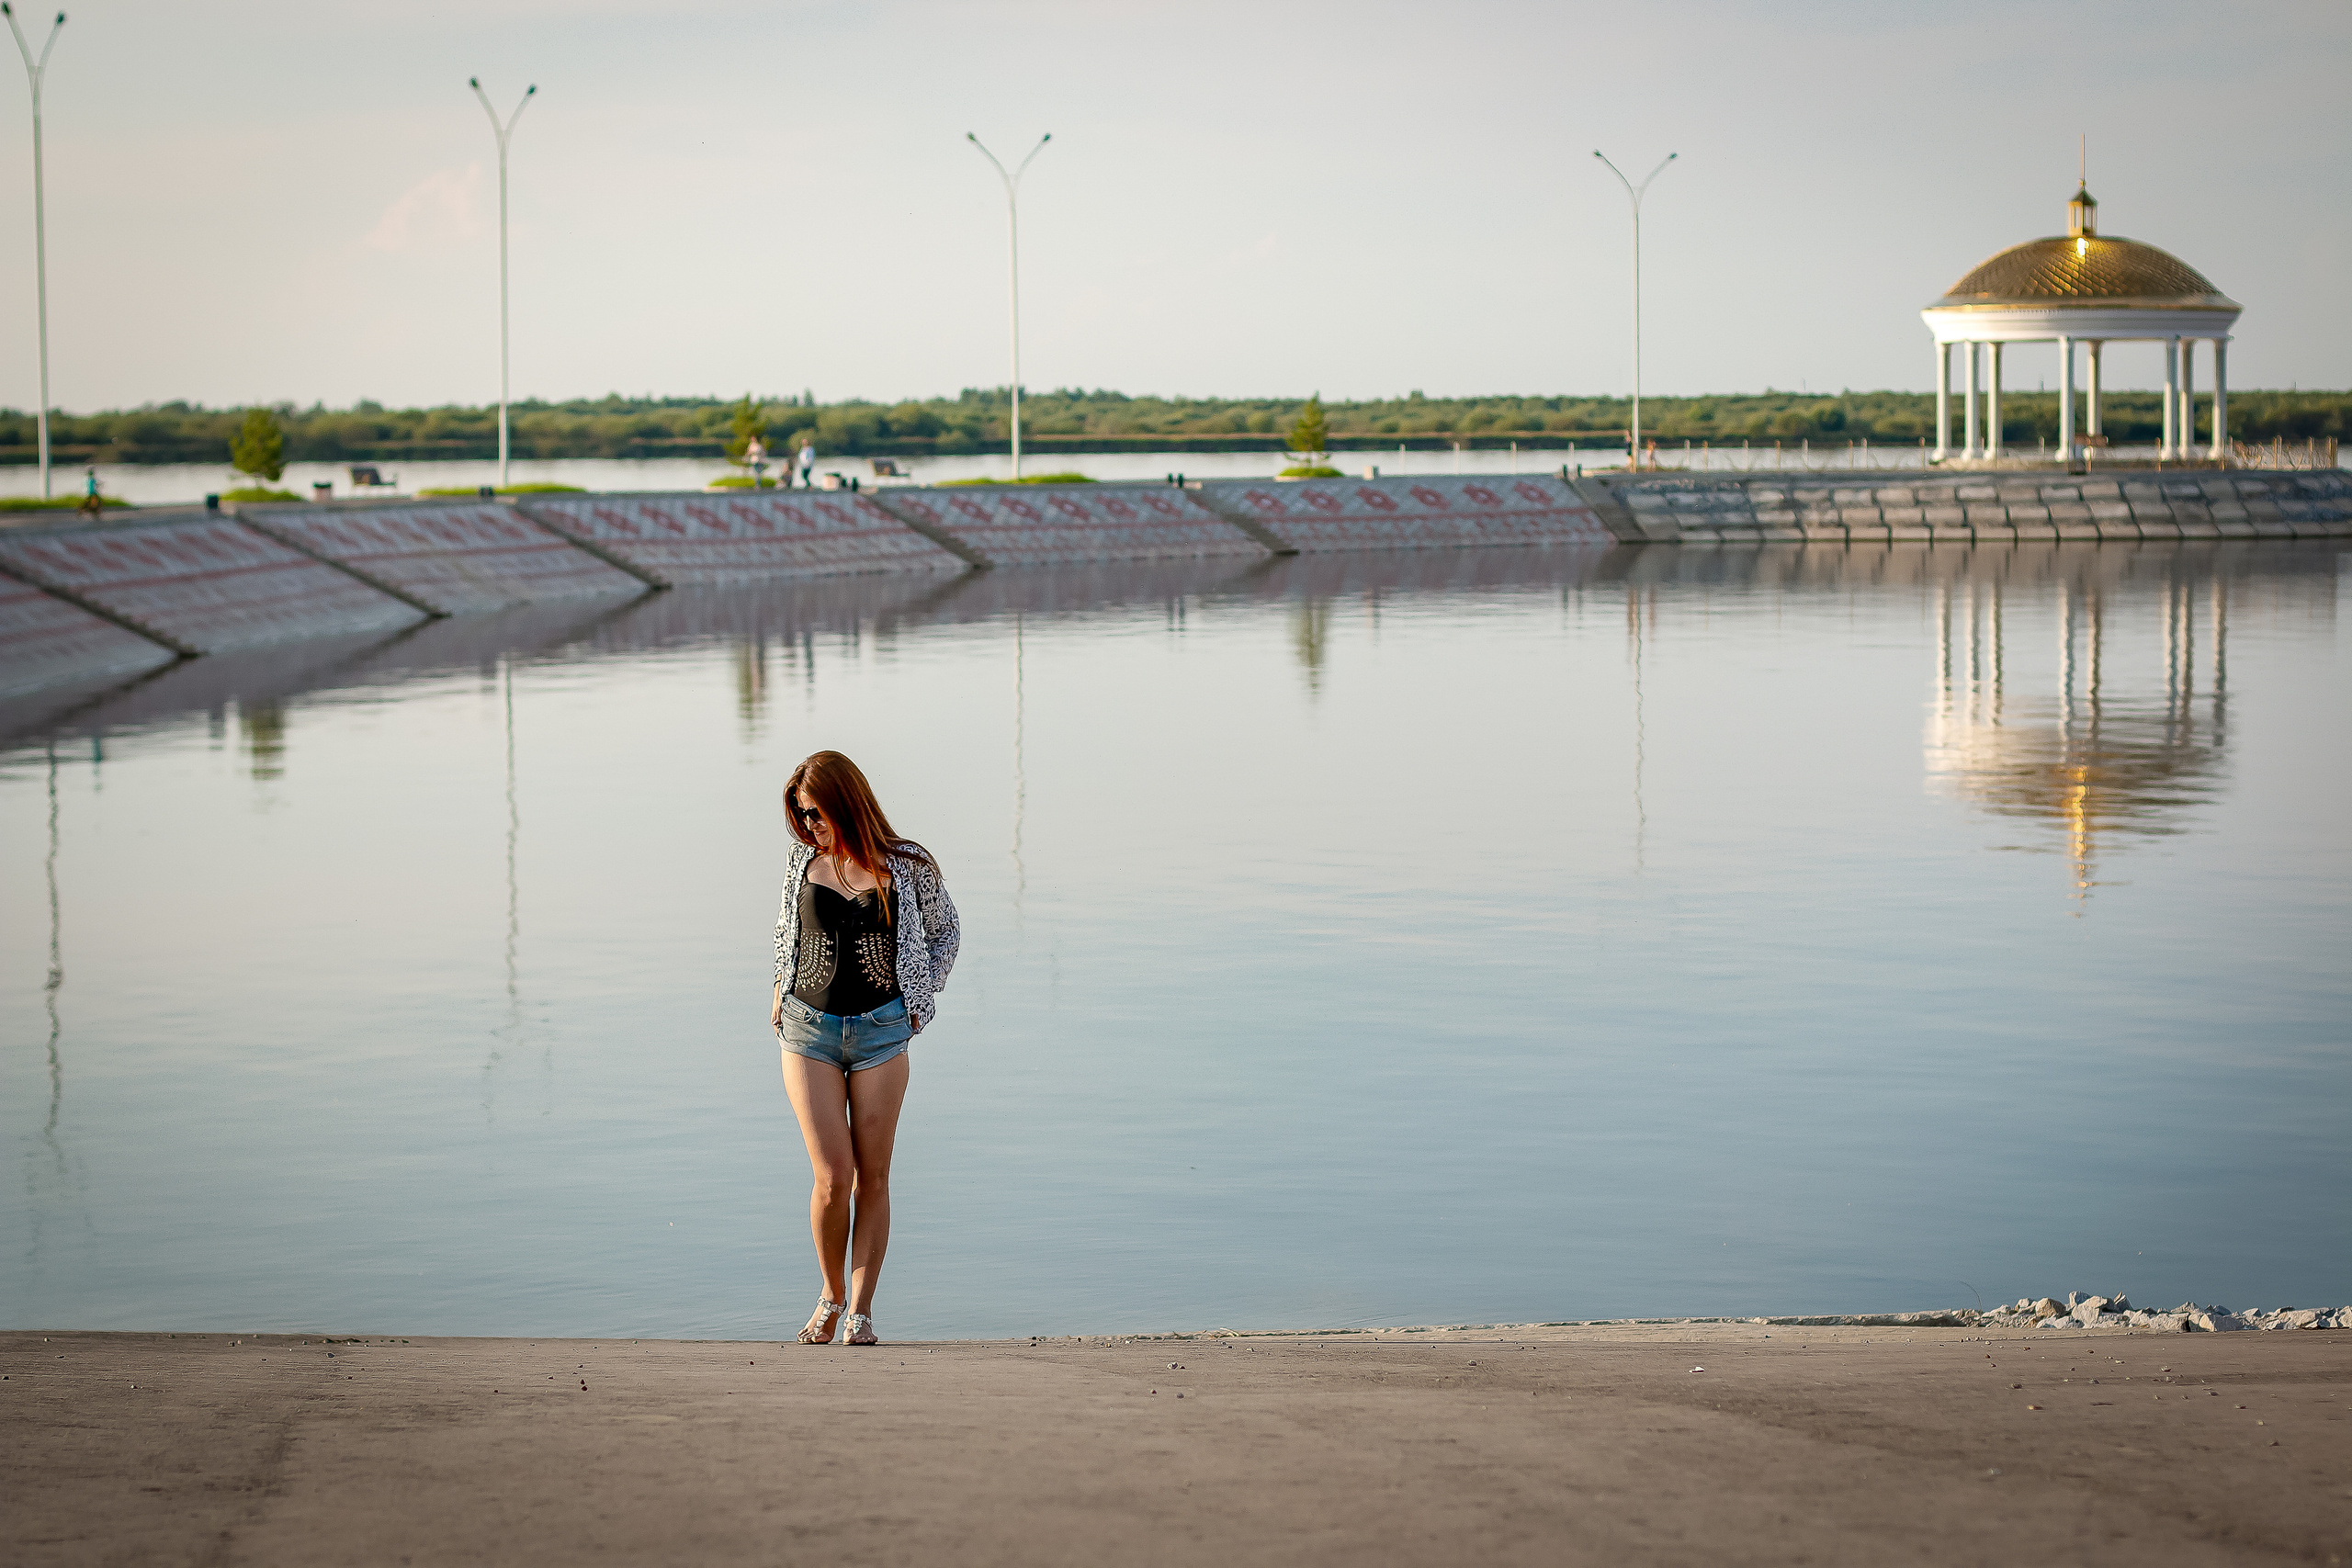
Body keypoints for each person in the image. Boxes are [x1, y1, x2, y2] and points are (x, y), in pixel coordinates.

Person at [771, 750, 958, 1346]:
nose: (810, 826)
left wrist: (919, 998)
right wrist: (778, 986)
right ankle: (830, 1295)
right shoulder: (802, 861)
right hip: (808, 1030)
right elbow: (787, 931)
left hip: (882, 1031)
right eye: (802, 816)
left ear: (846, 803)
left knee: (872, 1176)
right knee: (833, 1175)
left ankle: (861, 1311)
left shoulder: (908, 865)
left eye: (817, 813)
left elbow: (946, 932)